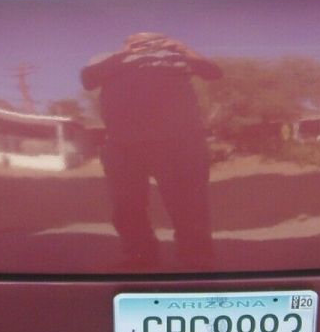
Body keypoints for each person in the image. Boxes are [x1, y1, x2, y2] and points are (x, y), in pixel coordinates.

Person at [81, 33, 222, 267]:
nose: (146, 45)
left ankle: (196, 258)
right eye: (138, 40)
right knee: (126, 204)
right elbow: (89, 80)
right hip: (123, 142)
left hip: (179, 140)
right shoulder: (107, 58)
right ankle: (140, 255)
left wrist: (184, 49)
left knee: (189, 203)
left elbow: (213, 73)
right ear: (125, 42)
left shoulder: (175, 57)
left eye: (152, 40)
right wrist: (127, 53)